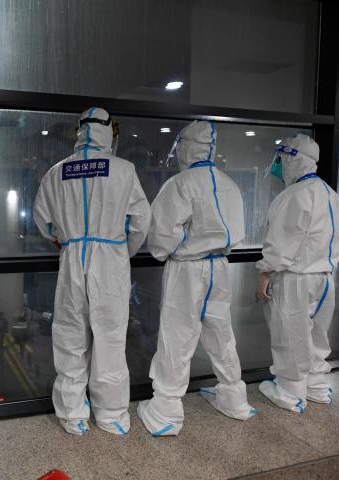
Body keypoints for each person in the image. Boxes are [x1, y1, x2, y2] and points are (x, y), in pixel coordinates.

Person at [33, 107, 151, 436]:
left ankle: (73, 415)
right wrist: (121, 251)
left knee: (70, 337)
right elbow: (141, 221)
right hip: (110, 261)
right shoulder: (124, 170)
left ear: (80, 132)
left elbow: (43, 220)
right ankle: (111, 416)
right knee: (110, 339)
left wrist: (66, 240)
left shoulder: (56, 172)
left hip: (72, 259)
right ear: (109, 131)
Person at [137, 120, 256, 437]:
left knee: (177, 335)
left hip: (188, 269)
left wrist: (176, 249)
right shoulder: (229, 185)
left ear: (186, 147)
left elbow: (161, 238)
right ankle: (234, 397)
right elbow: (236, 232)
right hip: (220, 267)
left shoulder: (179, 184)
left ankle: (166, 409)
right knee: (221, 332)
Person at [255, 134, 339, 412]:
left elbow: (282, 241)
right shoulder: (330, 193)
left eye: (282, 159)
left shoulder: (293, 195)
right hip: (325, 278)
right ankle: (317, 387)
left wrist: (264, 273)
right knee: (317, 335)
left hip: (296, 277)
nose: (279, 165)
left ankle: (290, 391)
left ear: (294, 159)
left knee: (290, 334)